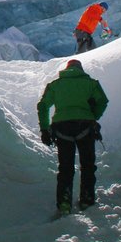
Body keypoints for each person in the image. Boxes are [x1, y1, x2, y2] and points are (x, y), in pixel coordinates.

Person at [37, 59, 109, 215]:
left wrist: (44, 129)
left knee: (65, 167)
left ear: (67, 69)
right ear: (80, 69)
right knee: (88, 165)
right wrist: (93, 115)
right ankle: (87, 199)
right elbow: (103, 101)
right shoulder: (91, 83)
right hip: (85, 126)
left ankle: (64, 202)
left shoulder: (55, 85)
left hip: (62, 128)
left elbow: (42, 106)